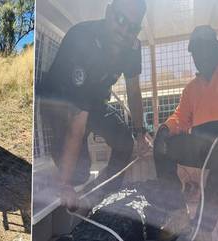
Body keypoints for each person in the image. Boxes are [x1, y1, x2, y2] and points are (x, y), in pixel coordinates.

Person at [38, 0, 149, 211]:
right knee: (79, 174)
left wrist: (140, 133)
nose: (124, 30)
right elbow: (76, 126)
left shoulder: (133, 47)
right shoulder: (83, 40)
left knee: (126, 141)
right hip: (60, 99)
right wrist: (65, 185)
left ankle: (106, 196)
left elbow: (134, 91)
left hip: (93, 99)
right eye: (120, 19)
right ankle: (59, 155)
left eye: (132, 27)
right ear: (109, 12)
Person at [153, 25, 218, 241]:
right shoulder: (191, 88)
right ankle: (177, 212)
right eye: (195, 52)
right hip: (202, 144)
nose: (199, 56)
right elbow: (180, 118)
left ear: (217, 47)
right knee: (161, 145)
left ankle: (203, 226)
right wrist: (165, 129)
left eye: (204, 48)